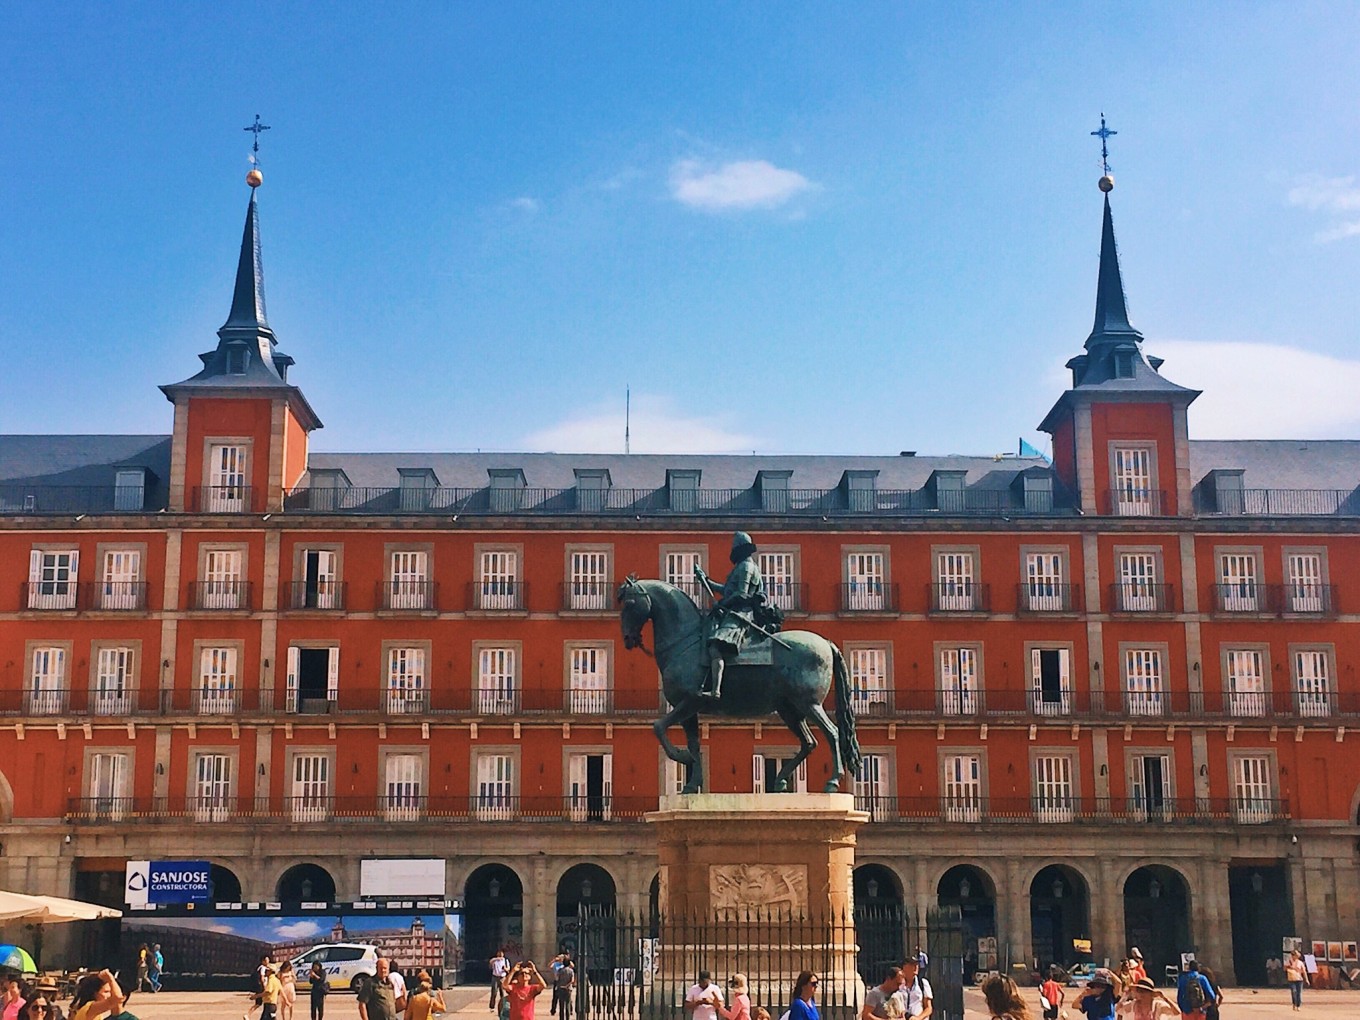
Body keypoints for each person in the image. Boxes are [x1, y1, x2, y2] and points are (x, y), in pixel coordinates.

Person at [694, 531, 769, 699]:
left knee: (714, 648)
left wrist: (722, 604)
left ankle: (715, 690)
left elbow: (741, 595)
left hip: (741, 615)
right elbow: (728, 591)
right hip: (735, 612)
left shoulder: (746, 567)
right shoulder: (742, 566)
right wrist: (706, 580)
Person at [551, 953, 575, 1020]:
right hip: (568, 989)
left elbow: (557, 978)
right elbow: (572, 980)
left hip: (560, 988)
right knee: (567, 1004)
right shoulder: (571, 971)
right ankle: (568, 1018)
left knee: (561, 1006)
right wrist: (567, 985)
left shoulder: (560, 970)